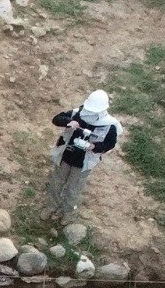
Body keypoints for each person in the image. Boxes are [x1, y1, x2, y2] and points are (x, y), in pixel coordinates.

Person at [44, 89, 121, 220]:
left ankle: (68, 212)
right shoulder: (77, 113)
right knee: (57, 182)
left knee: (74, 189)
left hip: (84, 162)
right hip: (66, 156)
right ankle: (51, 206)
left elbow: (110, 144)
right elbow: (56, 119)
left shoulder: (109, 125)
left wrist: (94, 147)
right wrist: (68, 122)